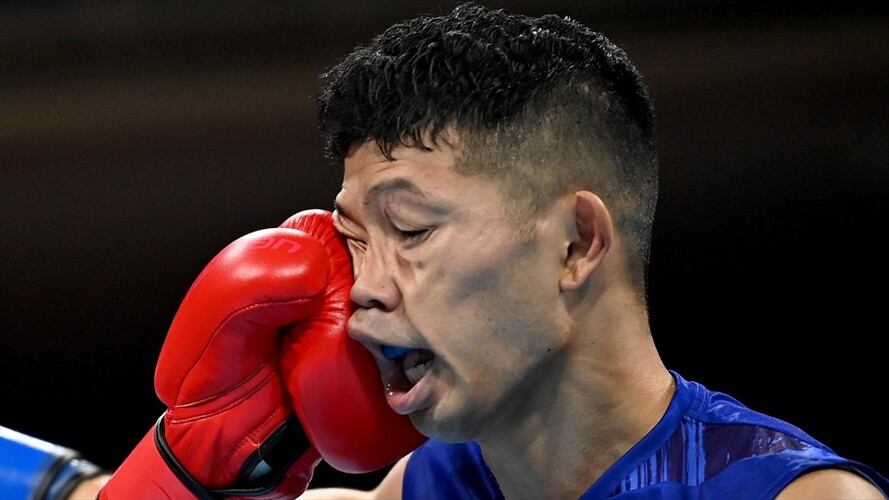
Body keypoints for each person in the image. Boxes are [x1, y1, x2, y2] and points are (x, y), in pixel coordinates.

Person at [3, 2, 886, 499]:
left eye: (410, 231)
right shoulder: (424, 492)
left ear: (576, 243)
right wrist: (199, 470)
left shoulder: (785, 498)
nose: (362, 295)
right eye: (351, 239)